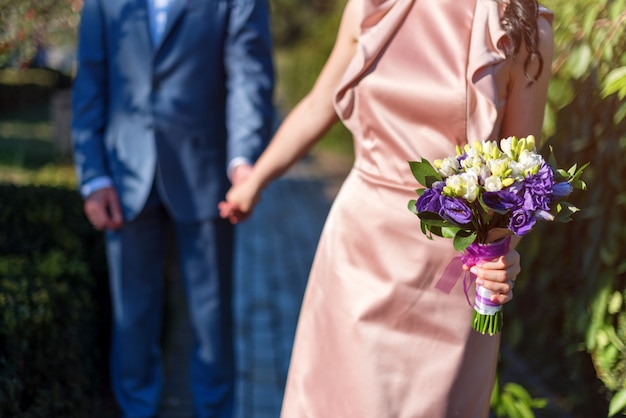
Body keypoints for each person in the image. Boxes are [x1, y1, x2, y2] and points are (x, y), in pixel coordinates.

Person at [219, 0, 554, 416]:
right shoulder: (372, 5)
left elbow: (522, 170)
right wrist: (254, 182)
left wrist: (504, 253)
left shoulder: (522, 24)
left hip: (452, 274)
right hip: (360, 257)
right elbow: (319, 104)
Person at [70, 0, 275, 416]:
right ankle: (136, 409)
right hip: (125, 176)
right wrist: (93, 176)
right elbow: (90, 80)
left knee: (211, 317)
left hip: (208, 176)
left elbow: (248, 78)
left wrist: (244, 161)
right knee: (132, 316)